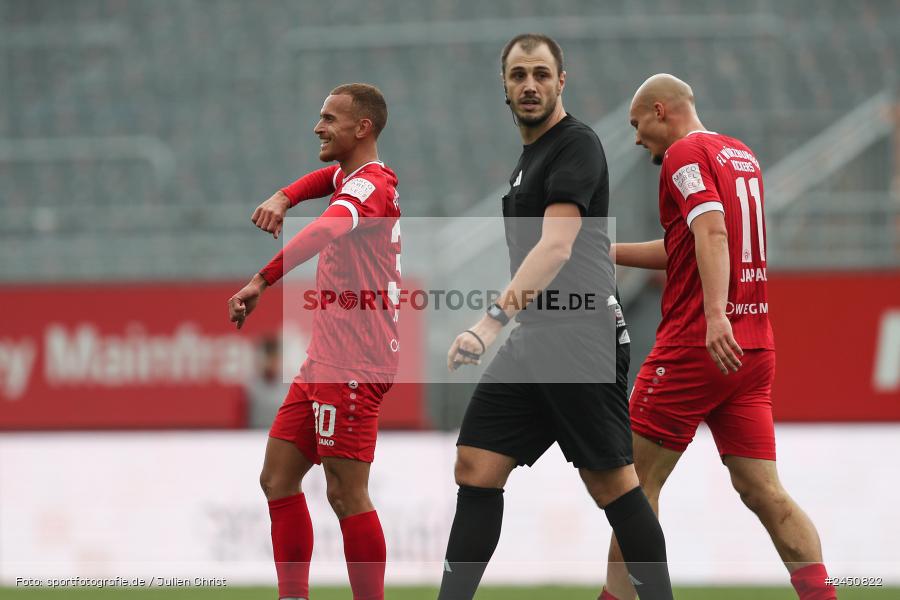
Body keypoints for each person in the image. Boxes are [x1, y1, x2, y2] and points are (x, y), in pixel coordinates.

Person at [439, 34, 673, 600]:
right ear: (504, 84)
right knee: (475, 464)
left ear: (561, 81)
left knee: (613, 484)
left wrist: (489, 322)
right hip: (537, 337)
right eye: (518, 75)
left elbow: (556, 247)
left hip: (580, 336)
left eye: (541, 74)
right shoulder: (531, 158)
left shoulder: (576, 145)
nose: (529, 85)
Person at [601, 73, 836, 600]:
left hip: (696, 345)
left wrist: (713, 315)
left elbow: (711, 231)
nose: (637, 140)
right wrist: (607, 250)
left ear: (661, 111)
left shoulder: (684, 156)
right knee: (764, 491)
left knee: (632, 488)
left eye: (638, 126)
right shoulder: (739, 154)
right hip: (752, 348)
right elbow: (688, 245)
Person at [228, 83, 401, 600]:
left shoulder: (371, 188)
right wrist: (284, 195)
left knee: (347, 494)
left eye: (329, 118)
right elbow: (323, 179)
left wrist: (261, 279)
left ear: (361, 128)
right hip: (324, 358)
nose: (317, 127)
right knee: (277, 479)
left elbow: (326, 231)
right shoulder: (349, 176)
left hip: (357, 361)